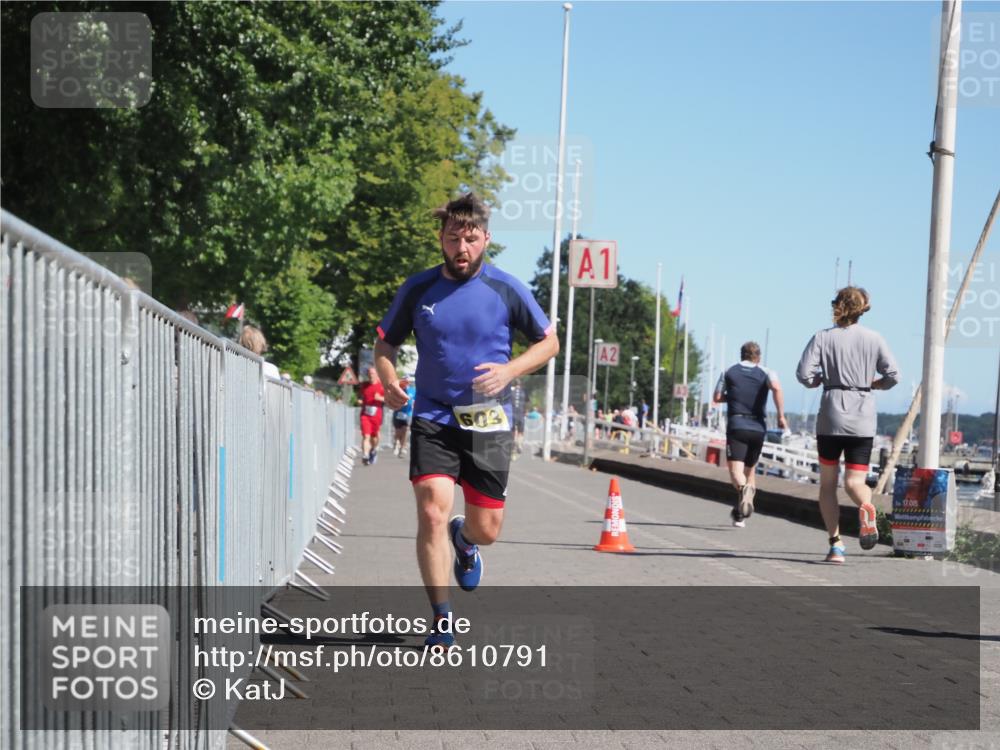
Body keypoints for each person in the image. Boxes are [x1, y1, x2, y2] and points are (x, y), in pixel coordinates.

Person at [373, 192, 558, 650]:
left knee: (488, 529)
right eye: (453, 238)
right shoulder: (418, 289)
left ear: (486, 239)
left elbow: (549, 343)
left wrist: (510, 370)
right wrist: (390, 379)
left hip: (489, 420)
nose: (462, 247)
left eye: (471, 238)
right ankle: (441, 619)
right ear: (441, 239)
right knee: (432, 509)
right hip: (433, 415)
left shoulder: (507, 288)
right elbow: (384, 346)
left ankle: (466, 539)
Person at [796, 286, 899, 563]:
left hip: (831, 415)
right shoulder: (874, 338)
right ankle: (866, 506)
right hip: (862, 417)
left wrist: (817, 380)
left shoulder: (822, 337)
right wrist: (874, 384)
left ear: (837, 306)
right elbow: (893, 375)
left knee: (828, 484)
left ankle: (836, 545)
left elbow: (803, 374)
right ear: (862, 309)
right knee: (855, 481)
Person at [713, 341, 787, 528]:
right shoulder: (767, 372)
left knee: (736, 473)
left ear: (742, 355)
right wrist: (781, 416)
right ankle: (740, 514)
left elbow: (716, 397)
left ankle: (745, 491)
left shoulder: (728, 371)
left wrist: (733, 396)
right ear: (758, 357)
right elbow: (777, 388)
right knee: (750, 471)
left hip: (737, 425)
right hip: (758, 427)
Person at [359, 366, 385, 466]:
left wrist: (380, 398)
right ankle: (365, 455)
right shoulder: (364, 386)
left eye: (373, 373)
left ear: (377, 375)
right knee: (366, 436)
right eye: (369, 374)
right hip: (365, 414)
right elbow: (361, 396)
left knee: (375, 437)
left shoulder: (381, 386)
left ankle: (373, 450)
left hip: (376, 415)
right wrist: (360, 401)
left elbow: (388, 399)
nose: (371, 375)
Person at [392, 379, 417, 457]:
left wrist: (413, 405)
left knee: (406, 430)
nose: (406, 383)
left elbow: (415, 401)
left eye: (407, 382)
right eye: (404, 381)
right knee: (398, 432)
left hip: (408, 414)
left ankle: (402, 448)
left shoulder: (413, 390)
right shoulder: (398, 389)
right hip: (398, 413)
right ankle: (397, 443)